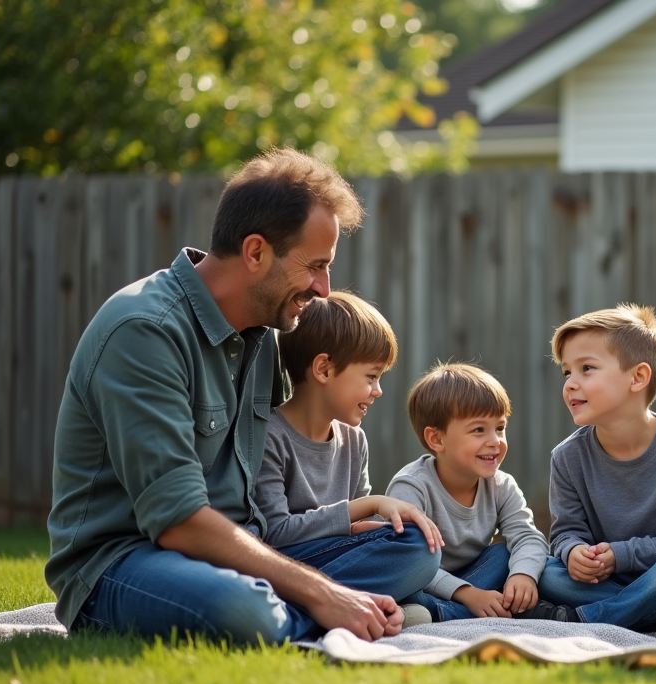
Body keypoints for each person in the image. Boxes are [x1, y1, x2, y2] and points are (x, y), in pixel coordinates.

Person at [46, 149, 440, 645]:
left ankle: (313, 606)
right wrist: (320, 591)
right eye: (315, 266)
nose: (324, 288)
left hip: (245, 549)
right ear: (255, 252)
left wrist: (342, 531)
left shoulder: (264, 333)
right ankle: (324, 610)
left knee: (413, 550)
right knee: (243, 608)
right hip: (126, 560)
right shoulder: (145, 332)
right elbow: (177, 522)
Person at [526, 304, 656, 637]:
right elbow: (565, 532)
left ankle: (586, 621)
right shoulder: (567, 457)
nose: (570, 384)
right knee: (542, 571)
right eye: (566, 372)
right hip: (605, 585)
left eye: (586, 368)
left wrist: (622, 555)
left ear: (638, 377)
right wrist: (574, 552)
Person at [253, 290, 443, 626]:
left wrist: (371, 530)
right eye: (371, 377)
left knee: (417, 544)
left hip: (337, 561)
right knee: (417, 559)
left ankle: (363, 605)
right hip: (287, 565)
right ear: (324, 369)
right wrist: (369, 506)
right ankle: (318, 609)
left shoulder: (354, 441)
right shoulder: (270, 436)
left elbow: (351, 531)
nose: (378, 390)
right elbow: (274, 534)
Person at [386, 363, 549, 621]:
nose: (495, 440)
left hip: (477, 576)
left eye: (499, 428)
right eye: (478, 430)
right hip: (423, 581)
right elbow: (404, 561)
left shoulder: (501, 485)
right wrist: (469, 595)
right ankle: (455, 611)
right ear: (437, 439)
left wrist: (523, 576)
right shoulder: (412, 486)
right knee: (408, 579)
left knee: (508, 554)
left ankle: (449, 614)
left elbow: (528, 537)